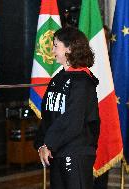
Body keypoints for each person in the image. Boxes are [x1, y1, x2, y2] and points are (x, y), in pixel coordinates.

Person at [34, 27, 100, 189]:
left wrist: (49, 144)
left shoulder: (83, 81)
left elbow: (73, 119)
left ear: (69, 48)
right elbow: (48, 115)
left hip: (76, 151)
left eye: (56, 45)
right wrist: (42, 144)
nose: (52, 50)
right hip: (57, 151)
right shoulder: (58, 78)